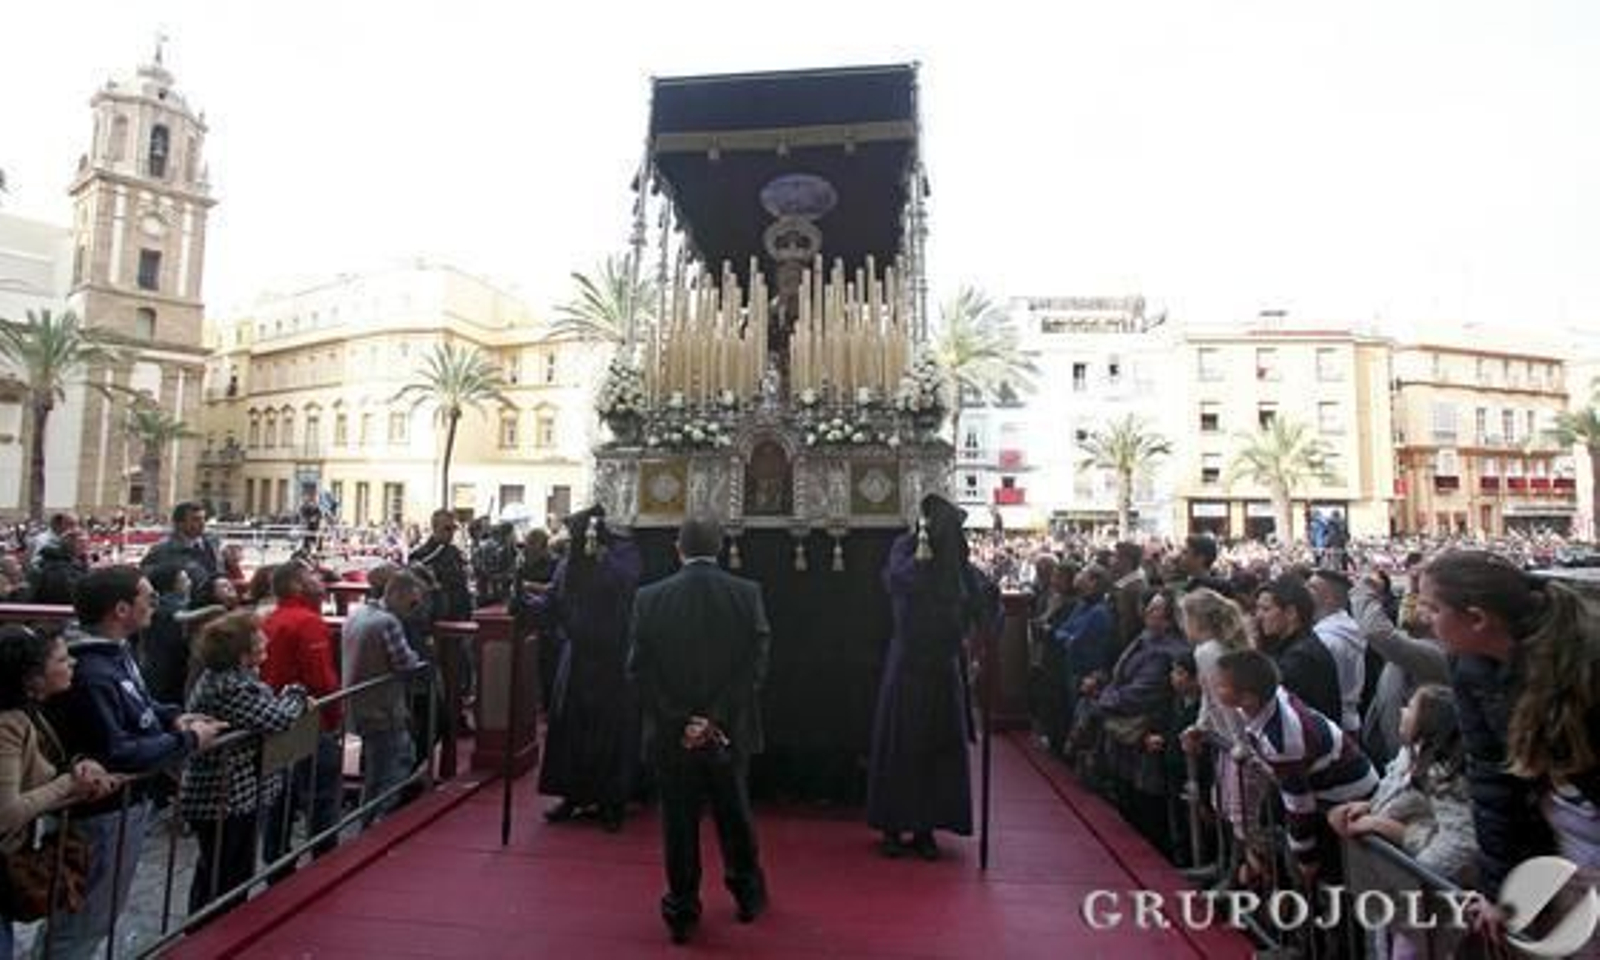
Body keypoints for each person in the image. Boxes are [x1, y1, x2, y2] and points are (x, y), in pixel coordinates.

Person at [43, 566, 226, 959]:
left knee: (98, 911)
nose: (154, 604)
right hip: (103, 812)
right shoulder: (91, 671)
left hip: (124, 807)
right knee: (84, 917)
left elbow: (140, 705)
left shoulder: (114, 654)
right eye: (148, 598)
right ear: (122, 609)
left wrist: (173, 716)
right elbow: (117, 750)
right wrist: (189, 739)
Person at [626, 516, 769, 945]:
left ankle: (682, 909)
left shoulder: (649, 599)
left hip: (673, 734)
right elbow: (755, 667)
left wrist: (680, 720)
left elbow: (638, 671)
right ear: (722, 546)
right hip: (728, 730)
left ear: (678, 548)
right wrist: (715, 719)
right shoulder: (747, 594)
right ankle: (747, 893)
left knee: (679, 821)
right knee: (735, 813)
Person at [866, 494, 994, 861]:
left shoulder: (957, 561)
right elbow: (895, 581)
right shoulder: (907, 548)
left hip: (941, 664)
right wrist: (925, 562)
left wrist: (987, 603)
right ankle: (893, 825)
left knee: (936, 749)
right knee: (902, 747)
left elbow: (975, 600)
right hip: (909, 662)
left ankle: (925, 827)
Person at [1329, 684, 1475, 960]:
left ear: (1429, 724)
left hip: (1423, 903)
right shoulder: (1409, 752)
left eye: (1411, 707)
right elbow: (1394, 791)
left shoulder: (1445, 774)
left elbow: (1456, 848)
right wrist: (1369, 807)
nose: (1401, 710)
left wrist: (1384, 829)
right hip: (1389, 887)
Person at [0, 627, 119, 956]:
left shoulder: (30, 712)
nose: (73, 665)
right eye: (63, 659)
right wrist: (69, 783)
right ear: (31, 676)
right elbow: (6, 813)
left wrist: (76, 773)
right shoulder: (8, 722)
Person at [180, 611, 309, 915]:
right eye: (258, 641)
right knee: (224, 874)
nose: (265, 643)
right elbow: (278, 717)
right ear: (241, 653)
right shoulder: (230, 687)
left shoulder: (234, 679)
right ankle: (210, 930)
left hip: (236, 793)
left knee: (228, 869)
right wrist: (295, 693)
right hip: (224, 796)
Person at [1213, 648, 1377, 887]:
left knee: (1323, 875)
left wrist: (1305, 857)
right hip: (1321, 788)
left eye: (1222, 686)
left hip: (1343, 797)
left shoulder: (1283, 741)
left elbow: (1300, 806)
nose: (1215, 688)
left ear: (1248, 697)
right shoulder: (1266, 698)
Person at [539, 506, 642, 832]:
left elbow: (629, 584)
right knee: (571, 727)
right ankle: (573, 794)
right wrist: (524, 604)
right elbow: (554, 600)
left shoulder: (623, 554)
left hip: (611, 657)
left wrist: (603, 558)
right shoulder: (570, 562)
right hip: (578, 654)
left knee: (609, 730)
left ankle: (612, 799)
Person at [260, 562, 342, 865]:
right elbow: (321, 679)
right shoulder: (307, 622)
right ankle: (323, 861)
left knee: (281, 796)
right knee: (320, 795)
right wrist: (333, 716)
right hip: (308, 719)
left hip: (280, 715)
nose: (319, 578)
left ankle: (276, 863)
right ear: (296, 585)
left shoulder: (273, 619)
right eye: (311, 575)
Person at [342, 570, 425, 819]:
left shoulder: (357, 615)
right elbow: (405, 663)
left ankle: (369, 820)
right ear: (397, 594)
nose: (414, 609)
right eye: (413, 603)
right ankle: (376, 821)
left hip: (358, 703)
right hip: (382, 708)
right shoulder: (388, 622)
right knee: (392, 768)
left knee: (378, 770)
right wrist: (419, 658)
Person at [1252, 576, 1343, 722]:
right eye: (1257, 608)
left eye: (1266, 609)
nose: (1258, 616)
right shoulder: (1290, 645)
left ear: (1290, 613)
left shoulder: (1301, 657)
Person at [1307, 569, 1366, 735]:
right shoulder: (1346, 627)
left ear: (1329, 598)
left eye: (1311, 588)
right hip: (1348, 719)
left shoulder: (1328, 639)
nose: (1304, 592)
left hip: (1334, 724)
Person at [140, 502, 221, 586]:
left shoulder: (212, 542)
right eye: (196, 519)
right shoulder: (163, 548)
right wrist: (171, 573)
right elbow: (145, 573)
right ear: (179, 524)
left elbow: (219, 570)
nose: (202, 523)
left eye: (204, 519)